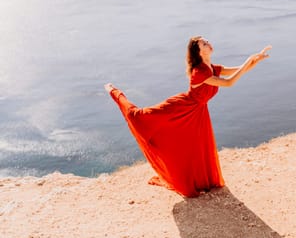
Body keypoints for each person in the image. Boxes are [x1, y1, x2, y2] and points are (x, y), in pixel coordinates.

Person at [105, 36, 271, 197]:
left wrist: (256, 60)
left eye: (206, 41)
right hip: (180, 107)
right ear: (199, 52)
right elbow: (229, 82)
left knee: (196, 148)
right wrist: (249, 60)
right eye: (204, 44)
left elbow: (237, 69)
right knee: (139, 116)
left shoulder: (211, 67)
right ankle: (114, 92)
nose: (208, 43)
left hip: (197, 112)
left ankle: (201, 183)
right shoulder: (199, 72)